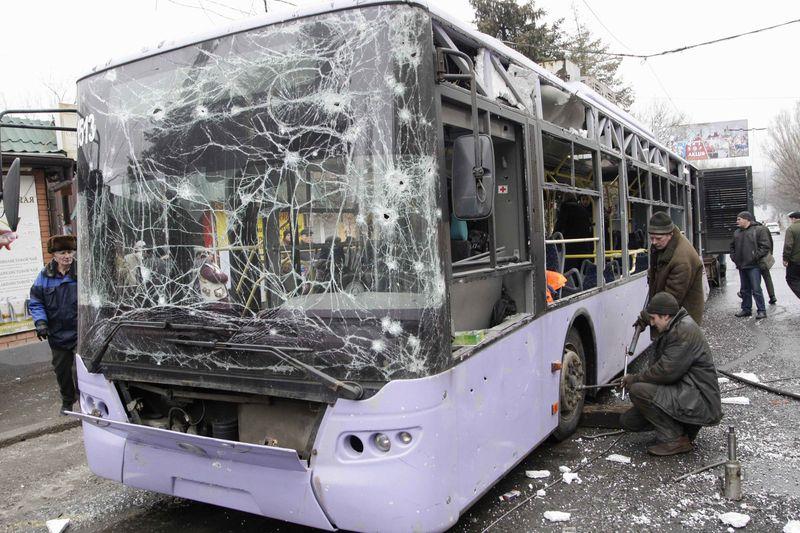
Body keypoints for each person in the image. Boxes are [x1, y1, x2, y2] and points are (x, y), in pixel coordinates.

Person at [619, 292, 722, 456]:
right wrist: (646, 317)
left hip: (701, 400)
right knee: (629, 421)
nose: (652, 323)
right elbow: (662, 368)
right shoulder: (674, 324)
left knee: (638, 390)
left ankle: (675, 440)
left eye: (654, 319)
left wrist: (635, 379)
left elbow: (665, 371)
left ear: (666, 316)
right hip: (690, 394)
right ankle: (683, 429)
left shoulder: (682, 331)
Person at [29, 235, 79, 414]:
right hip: (57, 334)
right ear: (54, 255)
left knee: (80, 370)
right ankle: (67, 401)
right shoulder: (44, 276)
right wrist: (40, 322)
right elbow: (35, 302)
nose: (67, 256)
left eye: (70, 251)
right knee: (62, 371)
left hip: (79, 332)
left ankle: (86, 402)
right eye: (62, 252)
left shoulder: (80, 272)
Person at [644, 212, 705, 325]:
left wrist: (646, 317)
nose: (654, 242)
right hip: (671, 317)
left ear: (670, 234)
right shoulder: (665, 245)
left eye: (658, 238)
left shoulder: (681, 260)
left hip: (682, 321)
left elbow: (670, 298)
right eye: (651, 238)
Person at [730, 211, 770, 319]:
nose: (737, 221)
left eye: (739, 219)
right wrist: (734, 258)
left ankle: (761, 310)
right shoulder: (737, 232)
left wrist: (754, 256)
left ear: (747, 219)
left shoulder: (758, 230)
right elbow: (732, 247)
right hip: (741, 265)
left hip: (754, 266)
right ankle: (746, 309)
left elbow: (765, 246)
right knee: (744, 289)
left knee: (756, 289)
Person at [784, 211, 800, 299]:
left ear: (793, 219)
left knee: (791, 279)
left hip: (795, 261)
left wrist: (785, 259)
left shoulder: (791, 229)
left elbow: (788, 245)